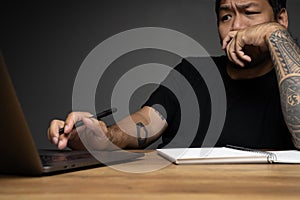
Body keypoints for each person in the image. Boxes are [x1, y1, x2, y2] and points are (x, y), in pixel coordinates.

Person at [48, 0, 300, 150]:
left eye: (250, 13)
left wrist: (274, 36)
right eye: (226, 16)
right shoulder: (194, 73)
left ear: (281, 18)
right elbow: (145, 122)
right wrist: (101, 136)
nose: (236, 27)